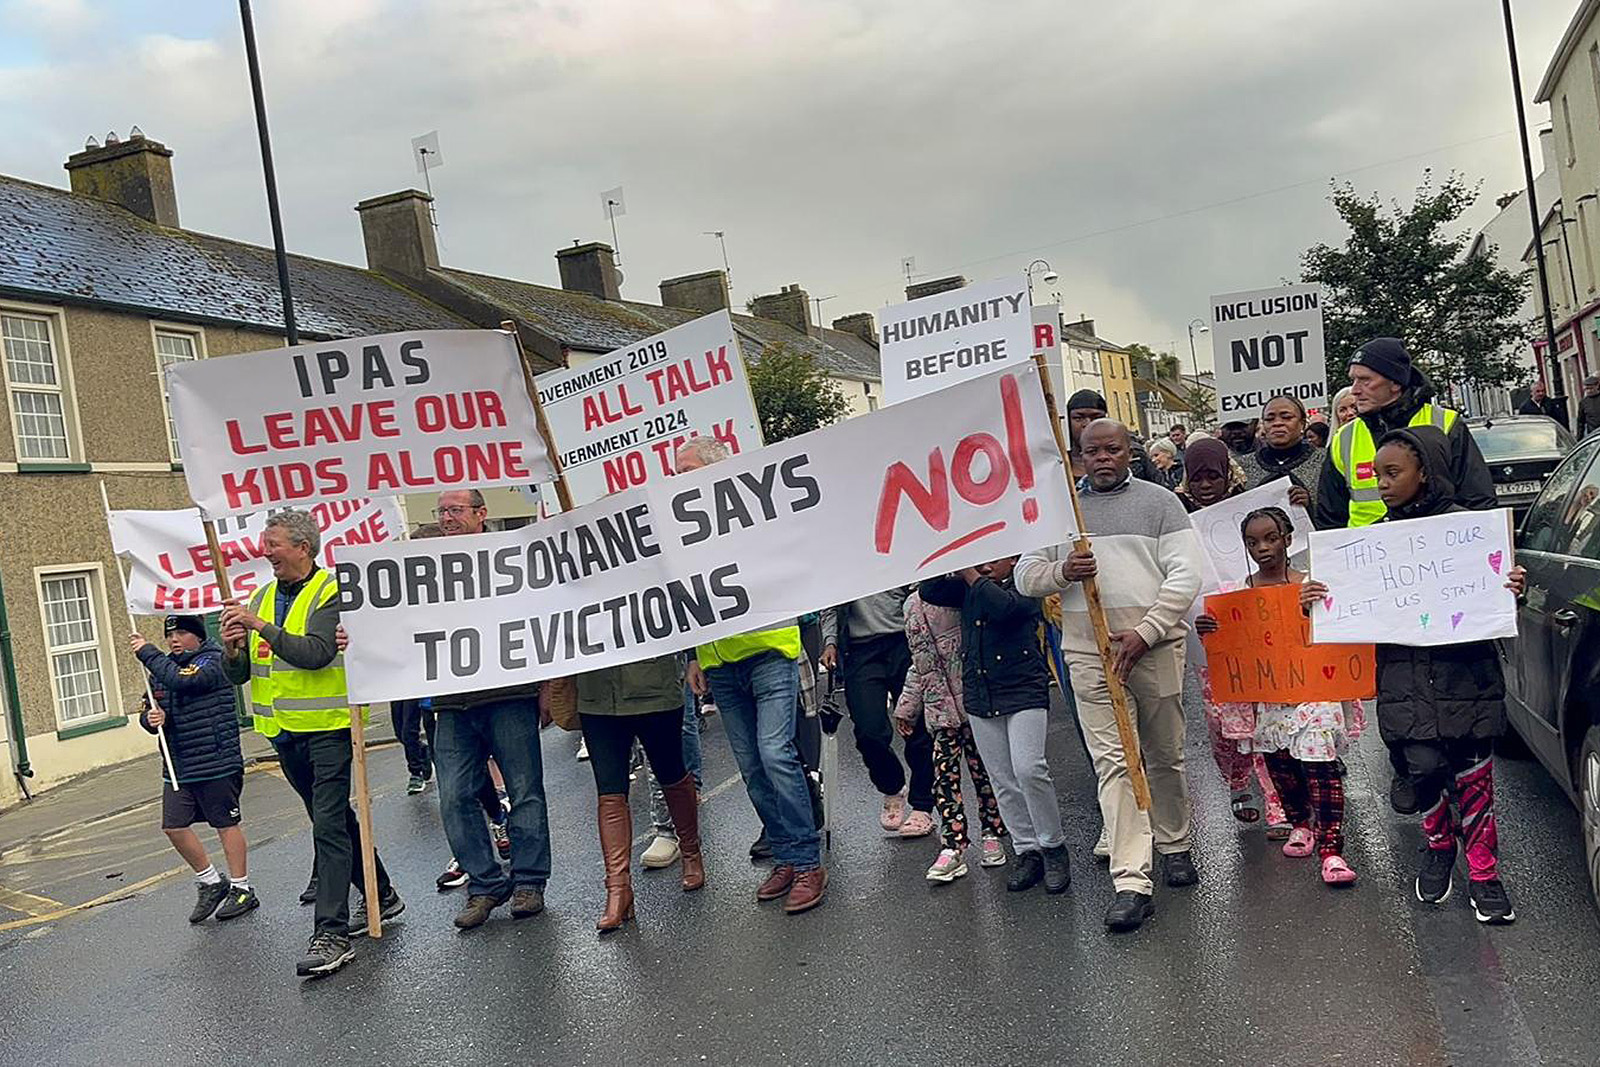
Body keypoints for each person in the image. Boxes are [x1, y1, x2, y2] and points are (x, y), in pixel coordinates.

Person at [1302, 427, 1525, 924]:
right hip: (1404, 681)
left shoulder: (1471, 532)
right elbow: (1346, 607)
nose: (1381, 483)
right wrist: (1317, 601)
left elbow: (1499, 596)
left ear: (1425, 472)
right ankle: (1440, 844)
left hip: (1466, 677)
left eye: (1392, 472)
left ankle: (1485, 873)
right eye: (1375, 473)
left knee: (1473, 778)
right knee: (1421, 766)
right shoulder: (1369, 545)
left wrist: (1511, 585)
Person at [1017, 419, 1204, 932]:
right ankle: (1131, 880)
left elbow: (1187, 573)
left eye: (1112, 449)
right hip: (1090, 650)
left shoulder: (1161, 503)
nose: (1102, 457)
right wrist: (1062, 573)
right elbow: (1024, 573)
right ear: (1078, 456)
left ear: (1129, 451)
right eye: (1091, 450)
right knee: (1115, 764)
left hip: (1154, 646)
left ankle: (1175, 842)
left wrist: (1147, 630)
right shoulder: (1060, 514)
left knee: (1165, 753)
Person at [221, 510, 402, 978]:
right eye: (265, 543)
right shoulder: (260, 596)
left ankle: (331, 933)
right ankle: (383, 893)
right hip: (282, 732)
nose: (266, 552)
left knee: (327, 827)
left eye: (274, 544)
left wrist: (260, 627)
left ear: (303, 547)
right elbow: (239, 675)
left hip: (328, 727)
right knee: (336, 819)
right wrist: (233, 649)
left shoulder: (331, 592)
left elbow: (316, 654)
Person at [678, 437, 827, 914]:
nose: (677, 477)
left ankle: (807, 862)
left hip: (768, 652)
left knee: (774, 753)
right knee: (751, 767)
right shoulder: (683, 531)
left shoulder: (751, 516)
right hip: (721, 663)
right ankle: (785, 853)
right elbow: (691, 596)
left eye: (687, 468)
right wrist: (695, 656)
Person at [1194, 508, 1363, 887]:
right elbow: (1233, 647)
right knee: (1281, 766)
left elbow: (1338, 628)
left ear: (1288, 538)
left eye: (1271, 538)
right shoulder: (1238, 595)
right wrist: (1211, 630)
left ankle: (1332, 849)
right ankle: (1301, 824)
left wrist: (1315, 606)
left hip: (1315, 693)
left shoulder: (1311, 584)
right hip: (1270, 696)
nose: (1263, 548)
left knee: (1321, 768)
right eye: (1253, 542)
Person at [421, 489, 551, 930]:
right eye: (441, 511)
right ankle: (485, 884)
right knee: (454, 795)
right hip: (452, 702)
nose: (447, 518)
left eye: (455, 510)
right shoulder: (424, 569)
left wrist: (548, 686)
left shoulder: (510, 556)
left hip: (509, 695)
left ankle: (529, 880)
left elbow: (542, 616)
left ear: (481, 513)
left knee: (524, 789)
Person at [918, 560, 1069, 894]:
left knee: (1030, 769)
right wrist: (944, 558)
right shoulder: (967, 588)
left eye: (993, 559)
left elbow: (1005, 609)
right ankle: (1026, 849)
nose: (985, 566)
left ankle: (1053, 846)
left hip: (1023, 688)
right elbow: (929, 590)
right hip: (981, 692)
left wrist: (970, 573)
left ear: (1013, 560)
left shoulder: (1026, 584)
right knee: (1002, 779)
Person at [1176, 437, 1288, 836]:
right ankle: (1238, 783)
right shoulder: (1176, 517)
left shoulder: (1252, 509)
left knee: (1263, 718)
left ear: (1227, 475)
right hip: (1207, 638)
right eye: (1198, 477)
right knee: (1224, 724)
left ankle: (1278, 804)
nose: (1206, 485)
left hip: (1257, 634)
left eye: (1213, 475)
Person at [132, 614, 257, 924]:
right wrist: (150, 719)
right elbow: (149, 708)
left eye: (183, 633)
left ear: (199, 636)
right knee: (173, 825)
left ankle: (242, 888)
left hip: (215, 759)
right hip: (178, 764)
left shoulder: (212, 661)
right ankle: (212, 881)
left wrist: (148, 652)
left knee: (225, 824)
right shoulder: (161, 669)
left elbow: (185, 680)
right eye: (170, 635)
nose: (174, 640)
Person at [577, 654, 703, 932]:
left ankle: (691, 853)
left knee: (671, 774)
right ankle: (618, 889)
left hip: (653, 688)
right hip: (596, 693)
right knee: (609, 792)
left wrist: (693, 658)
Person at [1315, 337, 1495, 530]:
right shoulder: (1344, 437)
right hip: (1369, 553)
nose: (1355, 390)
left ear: (1395, 383)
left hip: (1438, 547)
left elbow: (1477, 500)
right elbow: (1330, 519)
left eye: (1365, 380)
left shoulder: (1445, 423)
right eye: (1353, 380)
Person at [892, 587, 1008, 882]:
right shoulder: (911, 606)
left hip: (974, 702)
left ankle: (992, 831)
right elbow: (920, 664)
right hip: (939, 708)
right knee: (944, 778)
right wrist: (907, 707)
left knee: (984, 773)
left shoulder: (960, 593)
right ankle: (953, 845)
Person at [820, 588, 936, 838]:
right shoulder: (834, 553)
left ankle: (923, 804)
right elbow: (829, 602)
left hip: (902, 640)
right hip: (860, 650)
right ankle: (892, 786)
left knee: (918, 727)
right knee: (868, 730)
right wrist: (830, 641)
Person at [640, 680, 705, 871]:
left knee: (681, 722)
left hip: (669, 662)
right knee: (648, 733)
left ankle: (677, 831)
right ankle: (667, 828)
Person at [1241, 395, 1326, 511]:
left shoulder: (1324, 460)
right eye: (1269, 419)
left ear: (1302, 423)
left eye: (1286, 417)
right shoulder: (1244, 466)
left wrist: (1311, 505)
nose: (1277, 423)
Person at [1067, 389, 1163, 485]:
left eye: (1096, 418)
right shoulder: (1057, 460)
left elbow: (1159, 492)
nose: (1088, 424)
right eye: (1078, 418)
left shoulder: (1136, 457)